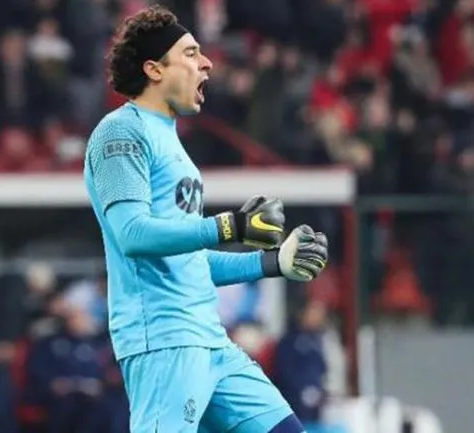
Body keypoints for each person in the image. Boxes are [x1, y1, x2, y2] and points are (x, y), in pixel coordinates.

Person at [83, 5, 329, 433]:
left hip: (210, 338)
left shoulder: (174, 145)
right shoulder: (121, 132)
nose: (208, 62)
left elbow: (188, 262)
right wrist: (229, 226)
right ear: (154, 69)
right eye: (191, 52)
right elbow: (132, 235)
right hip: (164, 339)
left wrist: (272, 262)